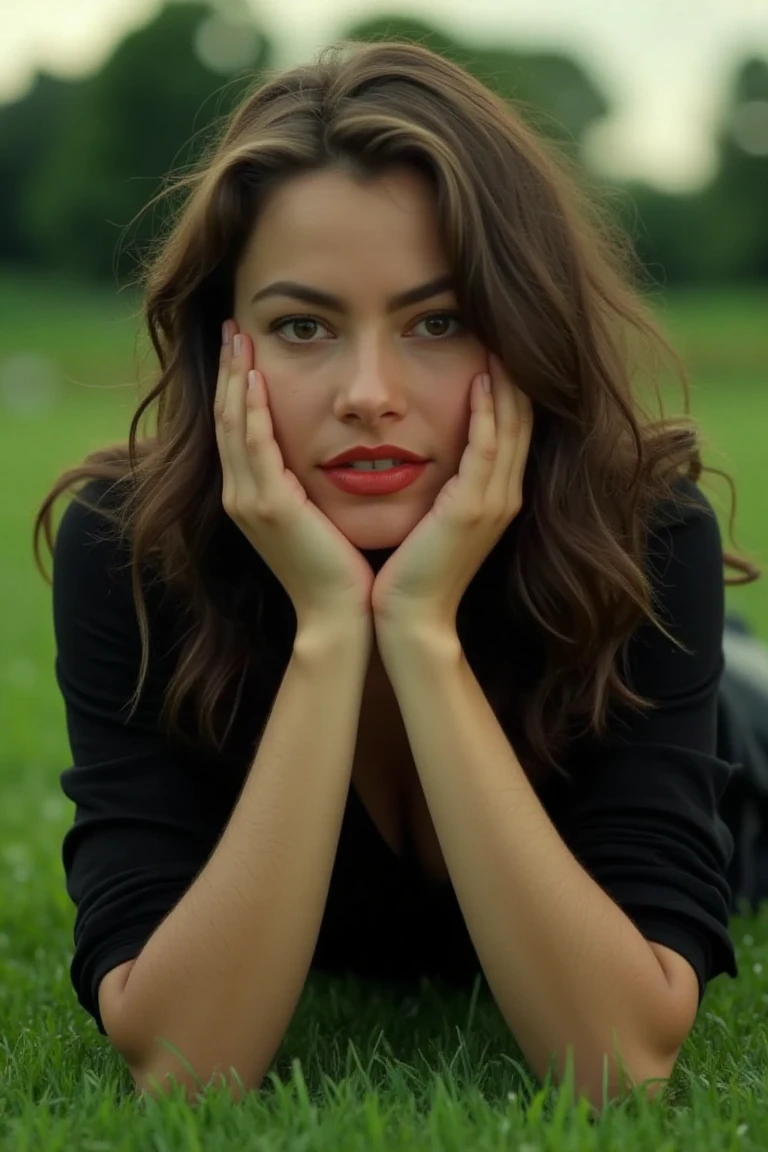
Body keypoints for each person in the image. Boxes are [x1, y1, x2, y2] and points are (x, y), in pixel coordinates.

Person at [33, 40, 762, 1110]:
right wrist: (332, 628)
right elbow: (185, 1066)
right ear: (224, 345)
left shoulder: (644, 535)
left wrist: (420, 628)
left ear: (521, 332)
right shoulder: (129, 551)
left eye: (438, 321)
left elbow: (619, 1061)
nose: (369, 392)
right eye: (303, 326)